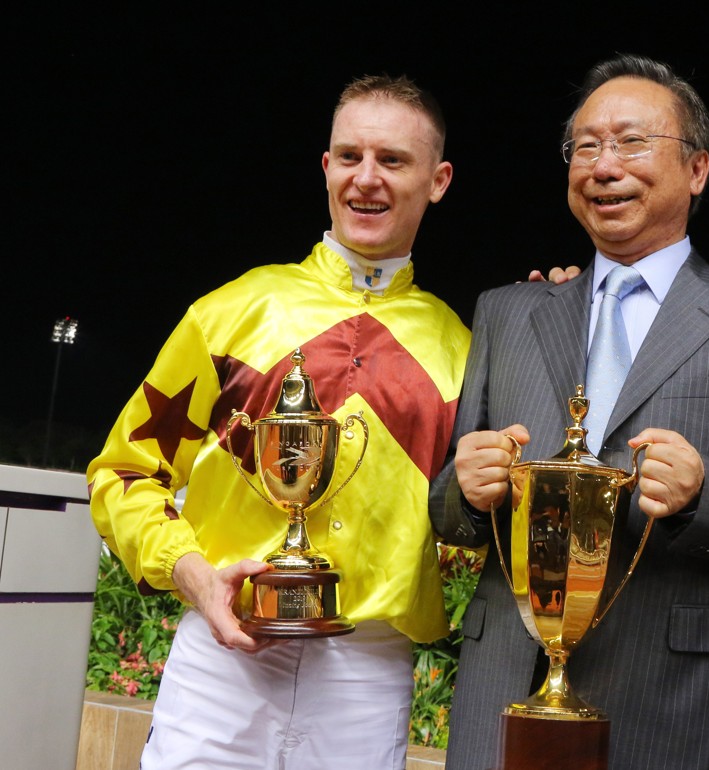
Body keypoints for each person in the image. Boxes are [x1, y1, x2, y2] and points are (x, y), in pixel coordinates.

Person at [429, 54, 709, 770]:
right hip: (506, 687)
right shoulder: (507, 312)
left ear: (697, 170)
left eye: (632, 142)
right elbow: (448, 510)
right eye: (586, 147)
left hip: (672, 696)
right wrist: (466, 489)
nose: (604, 166)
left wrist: (706, 490)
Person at [86, 74, 469, 770]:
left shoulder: (465, 350)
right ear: (325, 167)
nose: (366, 179)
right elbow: (120, 473)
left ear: (438, 180)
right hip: (221, 655)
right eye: (349, 156)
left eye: (393, 160)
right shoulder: (231, 310)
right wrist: (195, 576)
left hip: (367, 665)